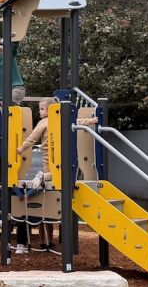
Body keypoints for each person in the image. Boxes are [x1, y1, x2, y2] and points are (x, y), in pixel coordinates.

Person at [16, 97, 98, 252]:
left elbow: (32, 138)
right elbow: (79, 122)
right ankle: (43, 176)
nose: (39, 112)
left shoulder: (42, 123)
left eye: (41, 109)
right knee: (57, 176)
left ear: (50, 110)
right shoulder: (61, 120)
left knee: (51, 175)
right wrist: (93, 120)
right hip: (59, 160)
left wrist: (21, 148)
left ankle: (42, 176)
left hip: (49, 161)